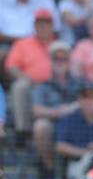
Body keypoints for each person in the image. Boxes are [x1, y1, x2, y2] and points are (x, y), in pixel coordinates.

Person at [32, 40, 84, 174]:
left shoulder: (80, 82)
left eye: (64, 58)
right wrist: (57, 112)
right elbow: (36, 110)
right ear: (51, 61)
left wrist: (73, 107)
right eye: (56, 58)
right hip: (54, 125)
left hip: (76, 125)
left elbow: (90, 100)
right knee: (41, 126)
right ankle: (50, 169)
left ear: (69, 61)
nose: (60, 62)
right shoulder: (43, 85)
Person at [6, 8, 56, 140]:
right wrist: (27, 79)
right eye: (40, 23)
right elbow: (12, 67)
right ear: (34, 26)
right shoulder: (23, 44)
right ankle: (23, 131)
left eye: (47, 23)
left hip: (55, 85)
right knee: (20, 86)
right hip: (32, 84)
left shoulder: (59, 44)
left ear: (52, 26)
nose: (43, 27)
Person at [56, 81, 93, 169]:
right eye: (85, 97)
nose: (89, 101)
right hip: (77, 163)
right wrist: (85, 152)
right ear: (79, 100)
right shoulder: (69, 119)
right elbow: (60, 146)